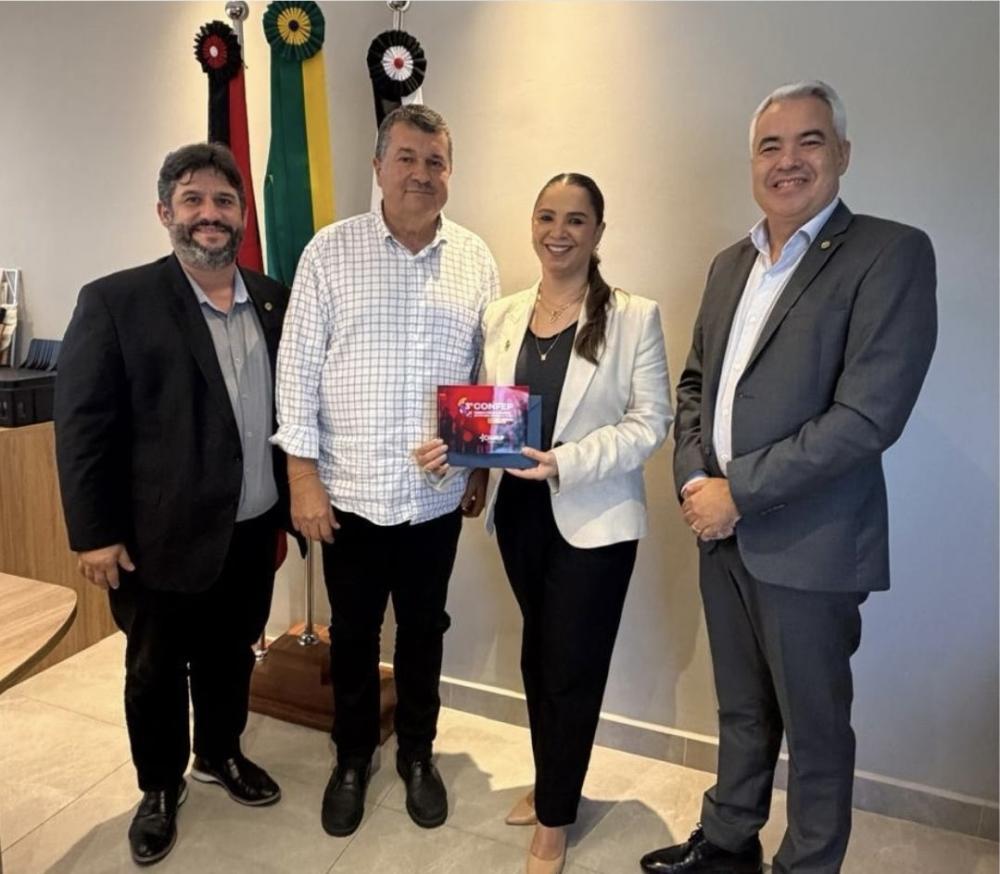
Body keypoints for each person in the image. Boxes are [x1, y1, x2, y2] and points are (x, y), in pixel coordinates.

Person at [640, 81, 937, 874]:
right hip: (718, 533)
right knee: (739, 709)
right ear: (752, 163)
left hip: (811, 543)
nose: (788, 160)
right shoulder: (730, 263)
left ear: (843, 153)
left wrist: (737, 492)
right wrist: (695, 483)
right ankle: (728, 842)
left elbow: (868, 417)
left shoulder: (890, 253)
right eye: (770, 146)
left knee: (815, 730)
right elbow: (696, 387)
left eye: (810, 141)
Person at [418, 173, 671, 874]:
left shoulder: (634, 316)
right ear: (532, 224)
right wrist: (462, 457)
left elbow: (651, 422)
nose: (559, 232)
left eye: (576, 220)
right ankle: (552, 779)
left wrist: (566, 461)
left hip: (596, 521)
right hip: (520, 517)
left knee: (571, 668)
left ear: (598, 232)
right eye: (547, 217)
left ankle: (555, 817)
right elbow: (491, 415)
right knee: (539, 657)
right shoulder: (503, 314)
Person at [54, 143, 292, 866]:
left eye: (224, 201)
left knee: (232, 655)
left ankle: (219, 753)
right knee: (154, 670)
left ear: (242, 215)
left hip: (251, 528)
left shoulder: (273, 299)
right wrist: (94, 533)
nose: (209, 214)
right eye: (193, 200)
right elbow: (83, 425)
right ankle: (159, 786)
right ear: (165, 212)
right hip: (157, 537)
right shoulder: (115, 301)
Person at [272, 104, 500, 837]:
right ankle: (351, 758)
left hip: (434, 498)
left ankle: (418, 754)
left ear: (449, 173)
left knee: (425, 629)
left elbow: (484, 373)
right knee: (354, 634)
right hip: (349, 494)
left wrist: (477, 466)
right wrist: (301, 478)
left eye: (435, 162)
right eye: (406, 158)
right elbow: (295, 372)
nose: (420, 174)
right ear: (378, 167)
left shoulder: (476, 259)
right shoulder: (328, 253)